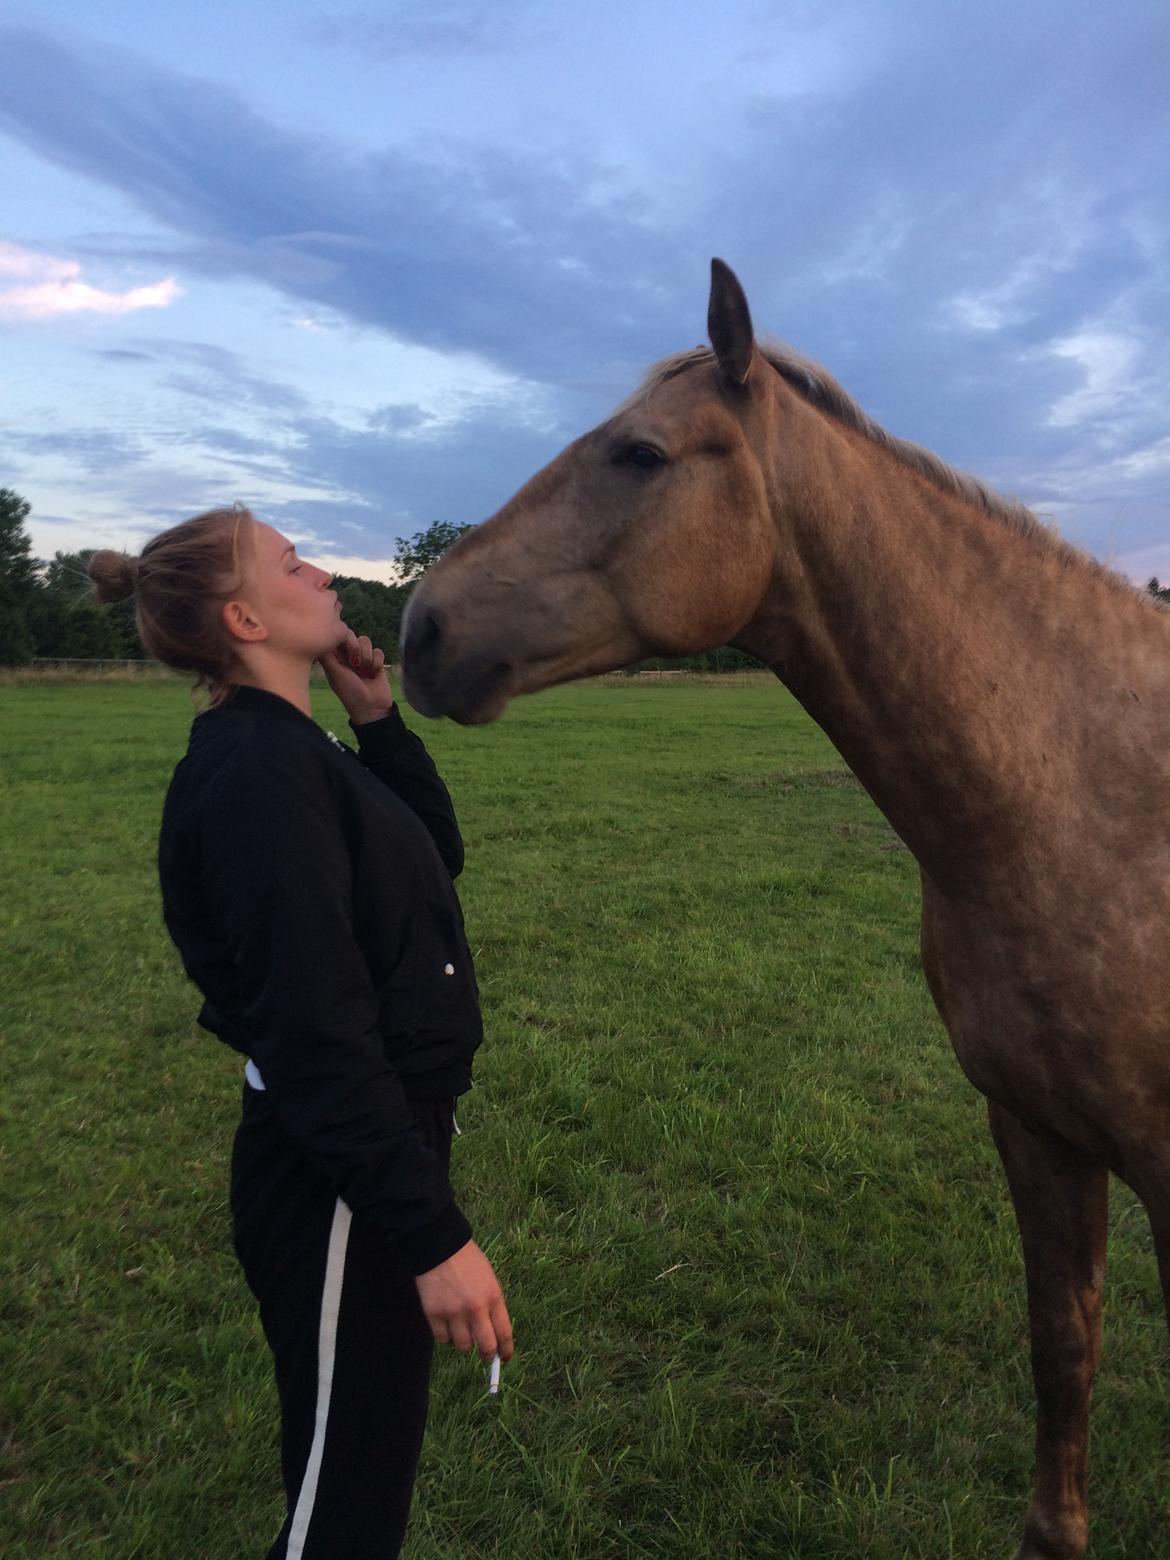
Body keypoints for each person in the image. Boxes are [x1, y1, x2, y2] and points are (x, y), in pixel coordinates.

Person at [89, 504, 512, 1558]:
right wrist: (430, 1235)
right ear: (243, 616)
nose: (320, 569)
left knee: (354, 1469)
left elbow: (430, 856)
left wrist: (375, 715)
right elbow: (315, 1035)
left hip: (365, 1152)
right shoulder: (257, 777)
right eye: (291, 562)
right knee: (346, 1508)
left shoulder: (292, 746)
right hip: (335, 1179)